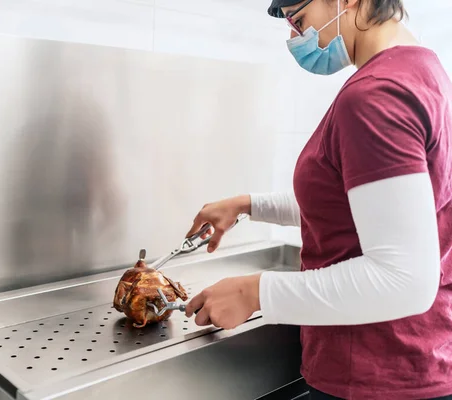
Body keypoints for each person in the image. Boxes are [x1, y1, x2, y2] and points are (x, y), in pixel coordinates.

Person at [184, 0, 452, 399]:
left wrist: (254, 292)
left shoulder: (376, 97)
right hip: (420, 358)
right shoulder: (422, 70)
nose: (294, 38)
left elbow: (405, 280)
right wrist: (248, 205)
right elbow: (361, 207)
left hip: (374, 374)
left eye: (298, 20)